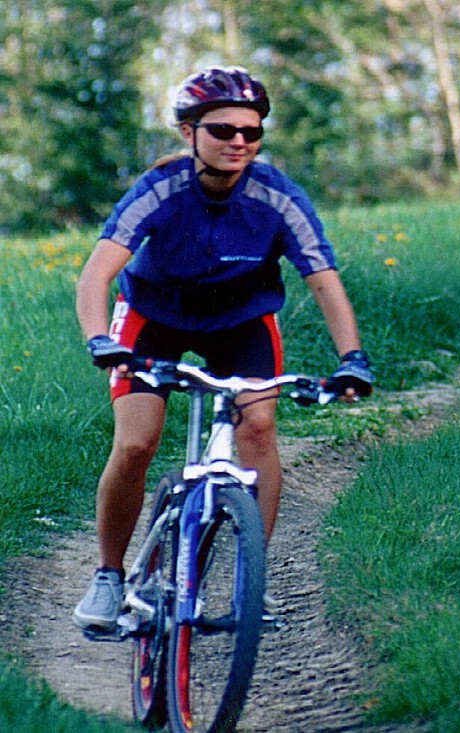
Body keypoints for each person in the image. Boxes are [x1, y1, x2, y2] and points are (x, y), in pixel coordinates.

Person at [72, 66, 375, 631]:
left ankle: (248, 579)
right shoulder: (161, 189)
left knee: (257, 428)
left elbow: (324, 280)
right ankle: (109, 576)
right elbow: (96, 276)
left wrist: (351, 358)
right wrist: (100, 340)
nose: (240, 141)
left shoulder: (276, 195)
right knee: (137, 443)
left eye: (252, 131)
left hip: (241, 321)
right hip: (154, 317)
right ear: (189, 133)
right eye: (223, 129)